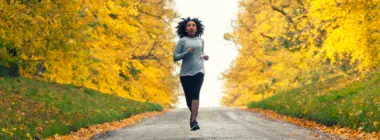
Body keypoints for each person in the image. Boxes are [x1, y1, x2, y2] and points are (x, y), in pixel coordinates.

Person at [173, 17, 209, 131]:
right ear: (185, 28)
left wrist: (205, 56)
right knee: (189, 98)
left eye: (193, 25)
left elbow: (201, 52)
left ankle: (194, 121)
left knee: (195, 93)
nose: (191, 27)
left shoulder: (201, 40)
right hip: (185, 73)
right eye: (189, 25)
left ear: (197, 28)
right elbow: (175, 57)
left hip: (199, 70)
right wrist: (186, 52)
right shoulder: (182, 41)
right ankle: (193, 116)